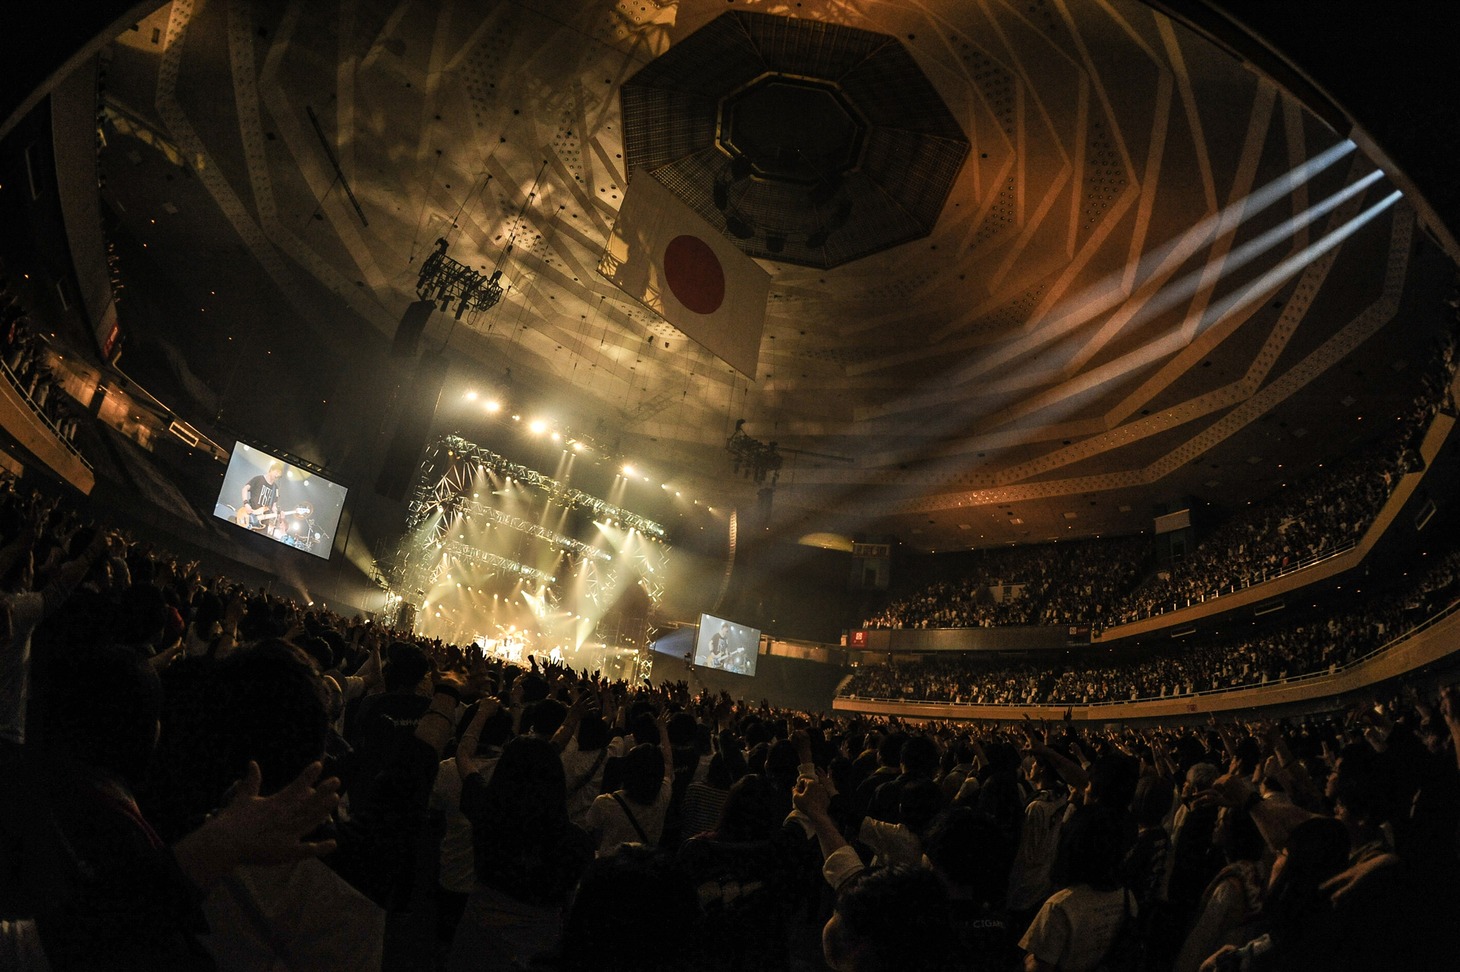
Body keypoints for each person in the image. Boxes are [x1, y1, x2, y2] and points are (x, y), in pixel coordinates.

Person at [238, 462, 284, 532]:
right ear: (271, 469)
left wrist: (278, 514)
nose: (277, 475)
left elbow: (274, 506)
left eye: (279, 474)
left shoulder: (276, 488)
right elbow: (245, 489)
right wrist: (246, 503)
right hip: (250, 515)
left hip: (263, 522)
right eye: (277, 472)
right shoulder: (258, 479)